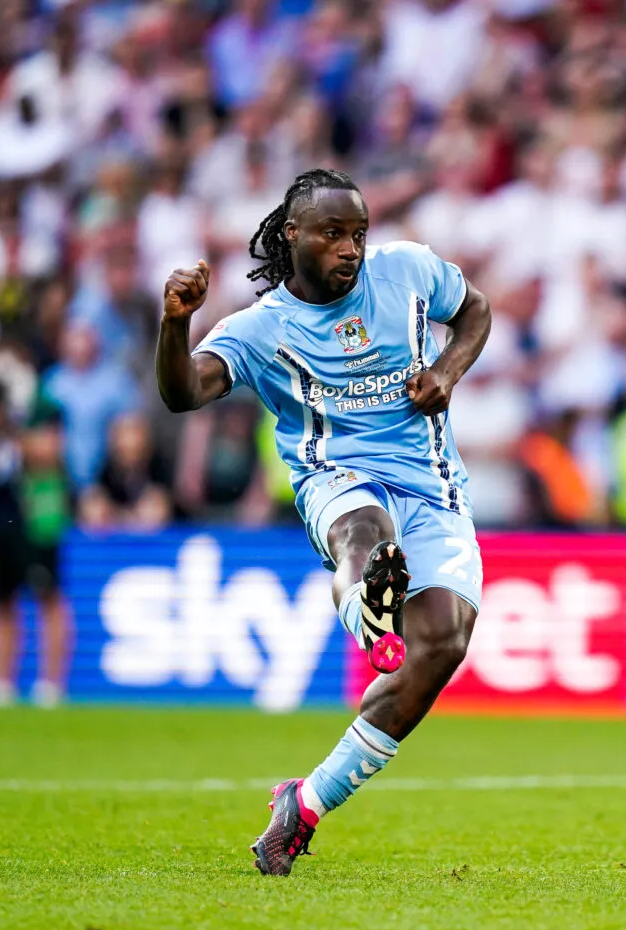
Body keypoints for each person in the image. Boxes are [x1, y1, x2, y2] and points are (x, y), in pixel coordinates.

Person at [155, 169, 493, 876]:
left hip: (433, 490)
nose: (351, 248)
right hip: (335, 478)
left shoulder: (408, 271)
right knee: (363, 534)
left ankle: (302, 805)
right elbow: (184, 392)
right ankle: (370, 608)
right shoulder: (259, 328)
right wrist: (174, 322)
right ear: (293, 236)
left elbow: (476, 313)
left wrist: (449, 373)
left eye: (359, 233)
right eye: (334, 234)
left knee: (442, 646)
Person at [0, 376, 72, 707]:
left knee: (47, 595)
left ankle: (51, 687)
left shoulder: (41, 408)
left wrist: (12, 432)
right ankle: (0, 685)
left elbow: (49, 453)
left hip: (35, 516)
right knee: (0, 599)